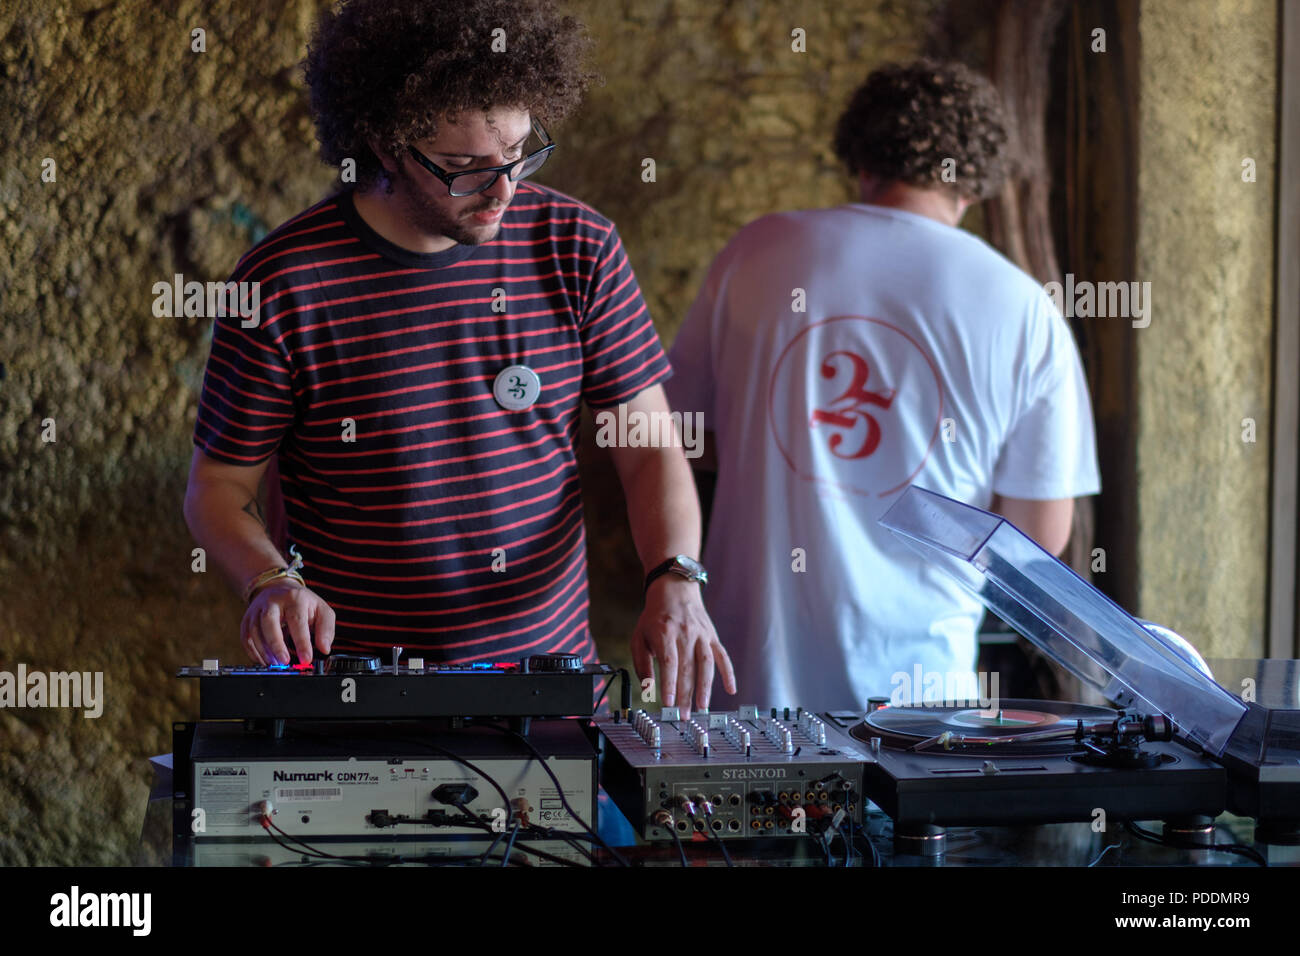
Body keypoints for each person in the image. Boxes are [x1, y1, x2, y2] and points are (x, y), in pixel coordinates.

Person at [183, 0, 734, 715]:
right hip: (354, 690)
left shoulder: (577, 246)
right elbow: (217, 490)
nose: (504, 189)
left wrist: (676, 577)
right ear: (384, 145)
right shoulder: (281, 281)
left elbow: (649, 443)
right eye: (464, 168)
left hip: (547, 682)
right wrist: (269, 582)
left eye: (518, 152)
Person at [665, 59, 1100, 709]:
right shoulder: (1023, 306)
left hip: (741, 691)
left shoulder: (758, 251)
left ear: (859, 154)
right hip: (921, 701)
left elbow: (683, 440)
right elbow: (1036, 537)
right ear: (975, 181)